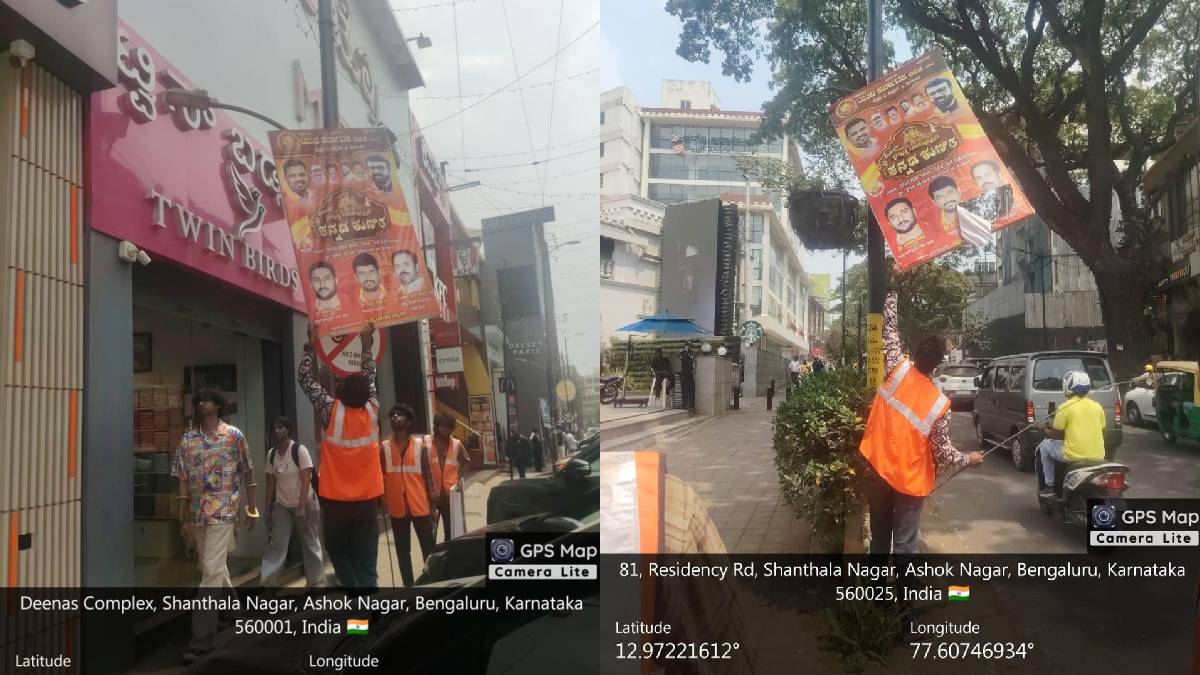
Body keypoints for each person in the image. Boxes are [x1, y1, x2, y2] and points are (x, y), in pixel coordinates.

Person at [858, 291, 983, 615]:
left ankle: (877, 603)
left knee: (880, 539)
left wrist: (893, 294)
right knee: (905, 546)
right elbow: (942, 452)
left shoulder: (896, 371)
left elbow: (889, 332)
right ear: (939, 365)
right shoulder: (939, 404)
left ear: (914, 353)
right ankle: (906, 612)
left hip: (878, 472)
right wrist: (967, 460)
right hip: (909, 484)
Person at [174, 390, 257, 664]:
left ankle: (201, 640)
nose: (200, 404)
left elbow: (248, 471)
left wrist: (252, 506)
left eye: (206, 400)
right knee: (212, 566)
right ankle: (233, 610)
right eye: (198, 401)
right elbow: (182, 474)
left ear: (218, 406)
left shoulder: (234, 435)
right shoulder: (187, 439)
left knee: (209, 572)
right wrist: (182, 506)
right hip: (197, 512)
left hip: (223, 510)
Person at [298, 323, 383, 591]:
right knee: (367, 561)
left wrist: (310, 346)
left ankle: (356, 596)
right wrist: (367, 346)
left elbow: (305, 380)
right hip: (368, 501)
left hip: (335, 503)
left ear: (342, 393)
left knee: (338, 552)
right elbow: (370, 376)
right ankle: (370, 625)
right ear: (367, 394)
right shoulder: (372, 410)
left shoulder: (330, 410)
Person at [260, 417, 325, 588]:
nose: (276, 430)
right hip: (282, 506)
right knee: (277, 544)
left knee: (310, 543)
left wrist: (301, 506)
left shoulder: (299, 450)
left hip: (305, 503)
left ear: (288, 430)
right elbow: (271, 483)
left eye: (280, 427)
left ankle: (316, 583)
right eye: (274, 427)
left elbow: (306, 480)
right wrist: (268, 508)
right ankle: (268, 584)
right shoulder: (272, 454)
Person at [380, 403, 435, 587]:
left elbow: (427, 476)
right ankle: (408, 587)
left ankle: (431, 582)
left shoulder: (420, 446)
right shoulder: (384, 448)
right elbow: (380, 476)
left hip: (420, 505)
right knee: (402, 551)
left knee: (428, 549)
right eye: (393, 415)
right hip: (397, 508)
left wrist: (432, 505)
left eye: (400, 415)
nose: (395, 417)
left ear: (408, 421)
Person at [1036, 372, 1107, 496]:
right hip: (1098, 456)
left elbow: (1055, 435)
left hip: (1072, 455)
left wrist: (1042, 429)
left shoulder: (1065, 407)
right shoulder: (1098, 407)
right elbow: (1102, 430)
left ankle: (1049, 486)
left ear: (1068, 386)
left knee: (1044, 446)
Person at [429, 414, 470, 542]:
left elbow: (467, 461)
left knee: (450, 529)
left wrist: (459, 477)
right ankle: (431, 556)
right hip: (431, 495)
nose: (445, 429)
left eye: (447, 427)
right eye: (442, 426)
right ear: (437, 427)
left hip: (448, 495)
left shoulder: (456, 444)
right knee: (430, 531)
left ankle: (446, 555)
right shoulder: (427, 442)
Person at [929, 176, 991, 249]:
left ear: (958, 191)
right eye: (940, 197)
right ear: (934, 202)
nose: (947, 198)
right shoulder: (934, 230)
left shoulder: (981, 211)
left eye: (950, 192)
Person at [679, 344, 696, 411]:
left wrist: (690, 353)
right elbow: (681, 358)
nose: (688, 348)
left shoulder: (691, 354)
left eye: (689, 347)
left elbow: (693, 362)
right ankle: (684, 405)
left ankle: (691, 405)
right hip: (684, 373)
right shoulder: (682, 354)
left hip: (690, 373)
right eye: (687, 347)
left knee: (692, 390)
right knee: (685, 390)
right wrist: (685, 352)